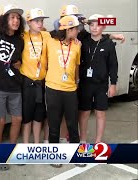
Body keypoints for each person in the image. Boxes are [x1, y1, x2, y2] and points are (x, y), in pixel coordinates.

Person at [0, 4, 25, 171]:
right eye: (12, 17)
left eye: (17, 18)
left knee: (17, 119)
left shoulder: (20, 40)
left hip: (15, 86)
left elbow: (18, 60)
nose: (15, 21)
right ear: (4, 19)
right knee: (0, 121)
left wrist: (19, 63)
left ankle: (12, 151)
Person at [45, 15, 81, 168]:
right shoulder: (51, 41)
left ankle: (77, 155)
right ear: (68, 30)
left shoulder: (77, 45)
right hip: (53, 89)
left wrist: (76, 82)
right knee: (54, 124)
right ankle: (55, 155)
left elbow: (76, 66)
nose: (78, 30)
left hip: (70, 90)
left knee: (73, 124)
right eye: (75, 28)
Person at [78, 14, 118, 144]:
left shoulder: (108, 44)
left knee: (100, 113)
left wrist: (113, 84)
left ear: (104, 27)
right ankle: (83, 140)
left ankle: (98, 141)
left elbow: (113, 65)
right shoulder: (83, 40)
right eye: (91, 24)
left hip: (101, 85)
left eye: (98, 25)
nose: (94, 28)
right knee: (84, 113)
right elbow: (77, 25)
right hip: (85, 84)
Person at [20, 8, 51, 144]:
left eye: (41, 21)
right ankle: (26, 145)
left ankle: (37, 144)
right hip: (27, 82)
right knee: (27, 117)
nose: (40, 23)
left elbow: (64, 36)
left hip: (41, 83)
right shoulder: (22, 36)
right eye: (36, 21)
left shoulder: (47, 36)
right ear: (29, 22)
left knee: (39, 116)